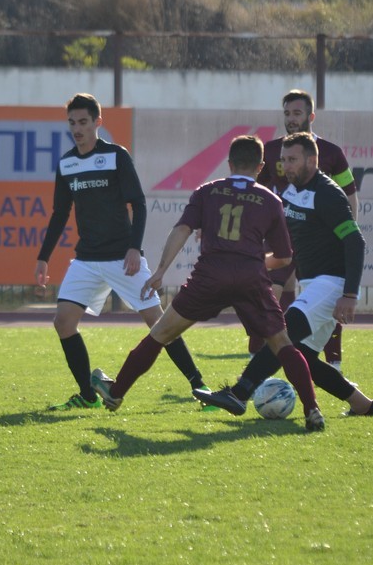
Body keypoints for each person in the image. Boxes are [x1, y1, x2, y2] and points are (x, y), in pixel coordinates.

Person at [90, 135, 325, 431]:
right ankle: (312, 410)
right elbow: (284, 257)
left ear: (229, 164)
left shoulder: (208, 191)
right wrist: (251, 260)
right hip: (251, 278)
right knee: (282, 344)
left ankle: (116, 392)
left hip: (209, 276)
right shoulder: (270, 200)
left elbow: (182, 229)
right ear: (260, 167)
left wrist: (161, 270)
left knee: (160, 333)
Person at [35, 93, 210, 410]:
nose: (77, 129)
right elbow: (60, 214)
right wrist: (43, 257)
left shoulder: (116, 156)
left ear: (97, 122)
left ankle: (200, 387)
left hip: (122, 257)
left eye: (83, 122)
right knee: (63, 322)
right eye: (72, 123)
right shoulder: (67, 163)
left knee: (159, 323)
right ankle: (88, 396)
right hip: (87, 259)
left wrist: (133, 248)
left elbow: (138, 204)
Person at [195, 132, 373, 417]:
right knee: (303, 356)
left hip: (332, 284)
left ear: (312, 160)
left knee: (281, 334)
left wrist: (350, 294)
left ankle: (239, 393)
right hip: (313, 284)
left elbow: (355, 241)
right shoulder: (291, 192)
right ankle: (363, 405)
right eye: (282, 160)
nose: (285, 166)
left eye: (292, 160)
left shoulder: (328, 194)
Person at [250, 89, 359, 371]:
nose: (291, 119)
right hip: (284, 237)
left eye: (297, 113)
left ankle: (333, 365)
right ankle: (256, 362)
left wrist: (346, 232)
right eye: (287, 113)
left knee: (325, 305)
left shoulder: (332, 152)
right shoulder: (272, 150)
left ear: (311, 117)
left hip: (320, 242)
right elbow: (258, 191)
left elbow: (349, 193)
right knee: (266, 298)